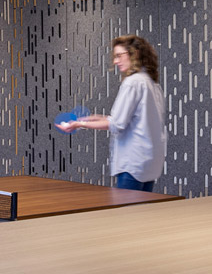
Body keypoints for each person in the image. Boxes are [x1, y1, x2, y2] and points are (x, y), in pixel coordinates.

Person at [57, 34, 167, 190]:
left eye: (119, 56)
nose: (115, 61)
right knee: (144, 206)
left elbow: (117, 124)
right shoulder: (151, 83)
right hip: (149, 164)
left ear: (134, 54)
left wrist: (78, 124)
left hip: (132, 164)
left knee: (127, 207)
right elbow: (134, 120)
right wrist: (98, 118)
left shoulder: (132, 83)